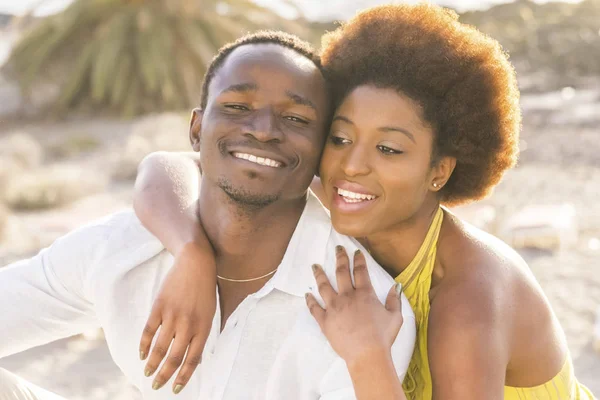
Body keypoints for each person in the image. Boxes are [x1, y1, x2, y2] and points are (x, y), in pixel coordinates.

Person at [132, 4, 595, 400]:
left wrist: (368, 353)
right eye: (339, 138)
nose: (352, 166)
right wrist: (190, 253)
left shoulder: (467, 301)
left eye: (389, 149)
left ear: (440, 170)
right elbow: (167, 167)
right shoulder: (342, 195)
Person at [0, 31, 416, 400]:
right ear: (197, 130)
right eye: (237, 106)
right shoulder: (120, 249)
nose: (264, 129)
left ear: (322, 149)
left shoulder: (366, 311)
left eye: (295, 118)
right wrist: (191, 252)